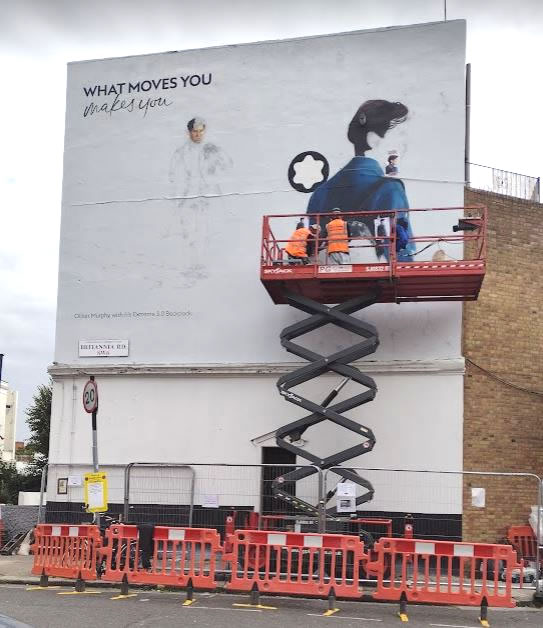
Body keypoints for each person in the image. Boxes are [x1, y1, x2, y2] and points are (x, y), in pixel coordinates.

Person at [307, 99, 415, 262]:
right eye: (400, 134)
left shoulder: (319, 193)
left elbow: (310, 248)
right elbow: (402, 257)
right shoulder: (391, 190)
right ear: (373, 137)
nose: (404, 144)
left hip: (330, 268)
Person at [168, 117, 232, 208]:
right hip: (189, 200)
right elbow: (174, 178)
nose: (198, 134)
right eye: (195, 131)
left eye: (201, 131)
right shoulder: (180, 153)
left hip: (212, 198)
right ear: (189, 132)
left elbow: (228, 166)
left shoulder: (212, 148)